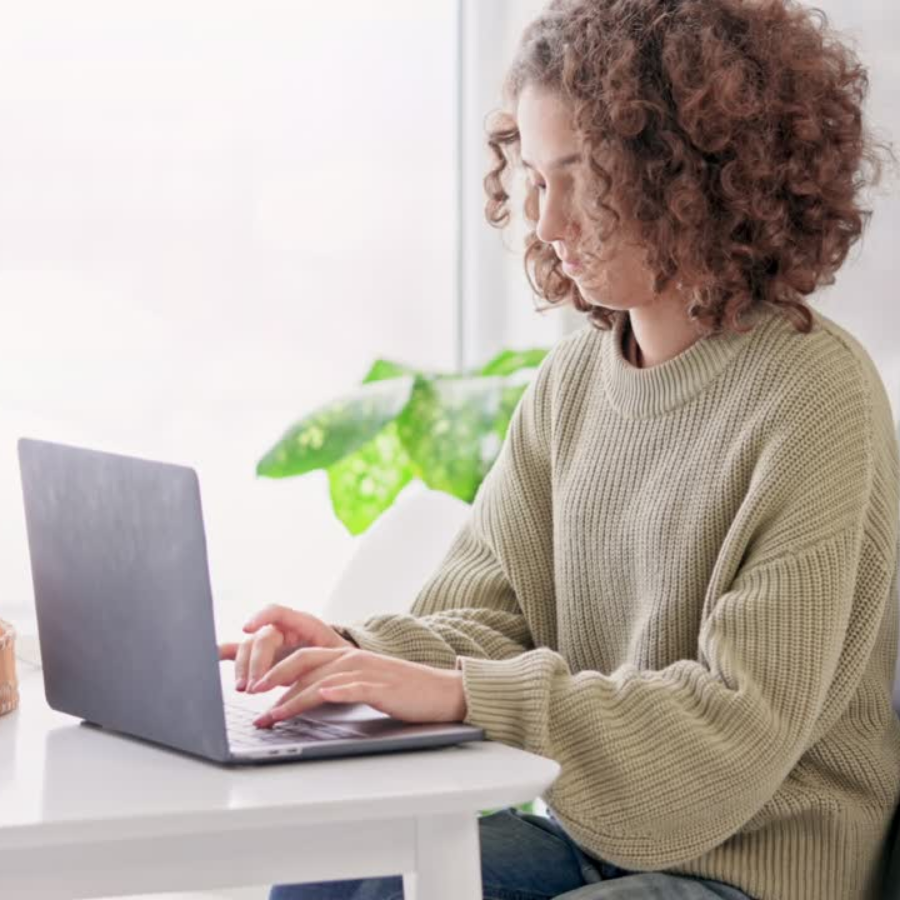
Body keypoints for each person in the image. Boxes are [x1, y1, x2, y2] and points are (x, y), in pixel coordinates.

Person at [218, 1, 900, 898]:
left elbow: (734, 726)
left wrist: (469, 695)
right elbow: (491, 617)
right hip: (596, 840)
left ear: (697, 174)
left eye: (583, 177)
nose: (545, 224)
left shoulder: (817, 397)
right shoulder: (576, 378)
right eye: (534, 179)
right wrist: (350, 655)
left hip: (756, 868)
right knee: (338, 880)